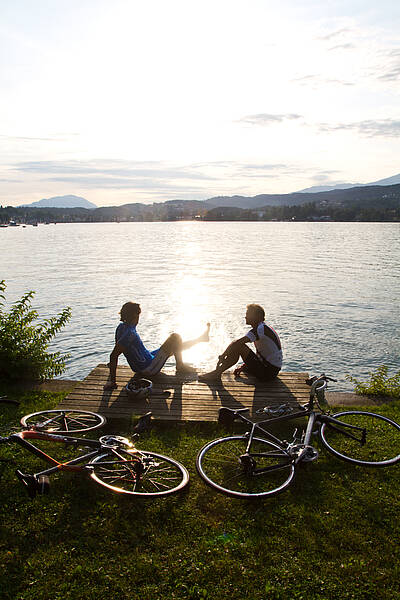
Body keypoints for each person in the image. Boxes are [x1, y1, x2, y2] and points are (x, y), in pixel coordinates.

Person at [104, 302, 210, 390]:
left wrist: (111, 367)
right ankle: (180, 366)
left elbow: (116, 350)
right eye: (138, 315)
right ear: (135, 315)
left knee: (175, 346)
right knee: (175, 337)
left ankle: (201, 339)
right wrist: (112, 381)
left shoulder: (121, 327)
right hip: (148, 368)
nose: (139, 318)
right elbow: (114, 355)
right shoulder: (130, 334)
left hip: (146, 360)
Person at [198, 304, 282, 382]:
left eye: (248, 314)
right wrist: (245, 366)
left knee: (239, 347)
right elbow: (263, 354)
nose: (245, 317)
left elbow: (236, 343)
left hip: (268, 373)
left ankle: (216, 373)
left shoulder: (259, 330)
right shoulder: (263, 328)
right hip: (271, 371)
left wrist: (223, 356)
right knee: (238, 346)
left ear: (257, 317)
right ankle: (217, 373)